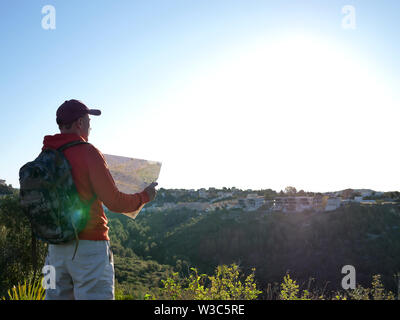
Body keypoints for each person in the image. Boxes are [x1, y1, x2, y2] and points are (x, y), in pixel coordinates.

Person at [42, 99, 158, 300]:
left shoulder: (45, 155)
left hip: (53, 250)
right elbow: (115, 202)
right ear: (79, 123)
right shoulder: (88, 152)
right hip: (88, 248)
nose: (90, 125)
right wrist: (145, 196)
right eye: (88, 120)